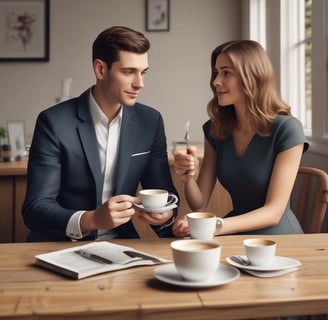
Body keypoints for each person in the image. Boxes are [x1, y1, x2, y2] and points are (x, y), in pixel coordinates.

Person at [22, 26, 178, 242]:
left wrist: (165, 216)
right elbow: (35, 209)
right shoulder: (53, 122)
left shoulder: (150, 121)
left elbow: (165, 195)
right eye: (128, 72)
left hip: (122, 245)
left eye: (143, 73)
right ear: (100, 69)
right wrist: (92, 219)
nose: (139, 83)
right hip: (60, 244)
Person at [172, 40, 309, 237]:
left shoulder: (287, 129)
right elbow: (199, 204)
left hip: (279, 239)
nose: (216, 81)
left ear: (252, 76)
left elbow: (274, 213)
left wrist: (215, 226)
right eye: (216, 72)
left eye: (226, 73)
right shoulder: (215, 129)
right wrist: (188, 179)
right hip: (235, 234)